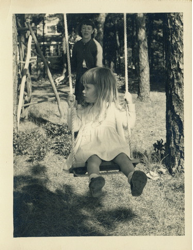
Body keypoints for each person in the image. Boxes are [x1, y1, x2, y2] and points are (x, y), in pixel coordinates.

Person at [66, 67, 147, 197]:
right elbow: (73, 127)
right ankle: (95, 181)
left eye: (87, 88)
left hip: (112, 145)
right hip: (91, 147)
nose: (83, 91)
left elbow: (128, 124)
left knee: (123, 157)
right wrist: (71, 108)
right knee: (92, 159)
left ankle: (133, 178)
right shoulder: (83, 109)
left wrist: (130, 104)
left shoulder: (113, 108)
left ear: (100, 90)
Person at [71, 19, 103, 104]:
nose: (86, 31)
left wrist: (97, 79)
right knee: (79, 98)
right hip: (80, 75)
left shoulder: (96, 45)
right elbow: (73, 62)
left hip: (93, 75)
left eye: (89, 28)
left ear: (92, 31)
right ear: (80, 30)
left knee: (91, 98)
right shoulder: (77, 45)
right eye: (84, 28)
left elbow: (99, 64)